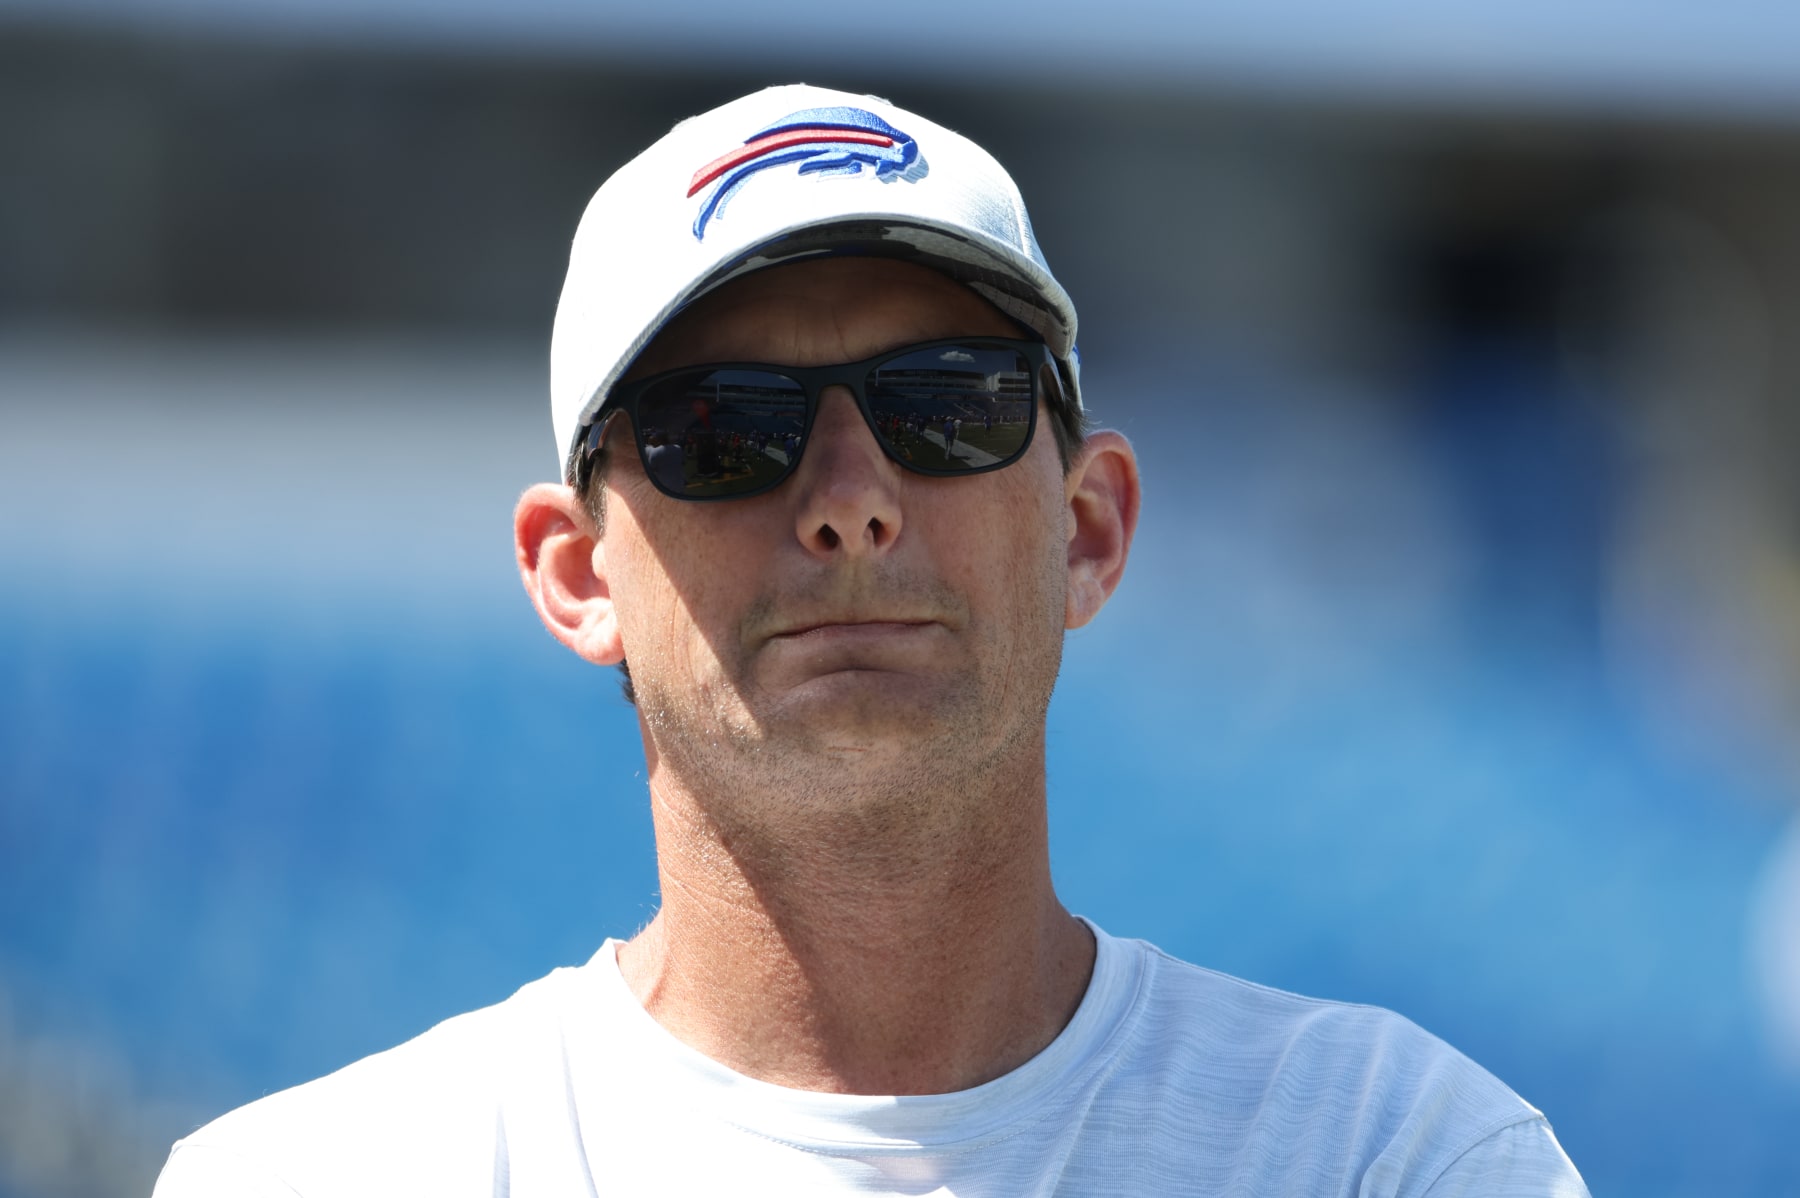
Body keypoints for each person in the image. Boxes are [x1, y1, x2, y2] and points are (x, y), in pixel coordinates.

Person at [153, 84, 1588, 1196]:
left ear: (1088, 527)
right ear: (577, 572)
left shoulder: (1384, 1155)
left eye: (945, 404)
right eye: (726, 428)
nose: (850, 503)